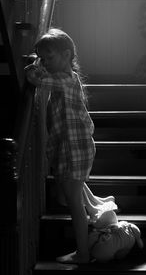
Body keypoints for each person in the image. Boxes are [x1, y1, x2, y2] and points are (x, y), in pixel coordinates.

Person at [25, 27, 97, 264]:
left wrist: (33, 67)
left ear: (67, 55)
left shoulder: (65, 80)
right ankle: (92, 209)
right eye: (42, 59)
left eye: (49, 58)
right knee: (68, 196)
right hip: (71, 150)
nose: (45, 64)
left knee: (73, 203)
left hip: (75, 150)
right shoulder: (65, 80)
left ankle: (83, 253)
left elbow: (36, 78)